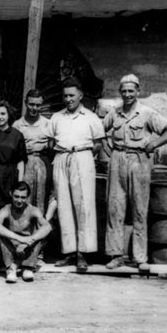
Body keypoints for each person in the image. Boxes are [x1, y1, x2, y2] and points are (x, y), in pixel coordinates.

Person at [103, 74, 167, 271]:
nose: (127, 94)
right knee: (115, 208)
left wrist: (153, 144)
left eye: (131, 91)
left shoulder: (146, 113)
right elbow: (99, 131)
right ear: (120, 92)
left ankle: (139, 257)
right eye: (124, 91)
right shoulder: (115, 112)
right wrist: (108, 150)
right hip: (117, 159)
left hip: (139, 161)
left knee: (139, 209)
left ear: (138, 92)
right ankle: (115, 255)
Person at [44, 78, 105, 271]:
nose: (68, 99)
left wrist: (83, 156)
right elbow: (50, 143)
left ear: (80, 95)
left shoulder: (90, 117)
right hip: (61, 157)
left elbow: (98, 144)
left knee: (84, 204)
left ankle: (83, 253)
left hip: (83, 157)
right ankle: (69, 252)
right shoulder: (56, 117)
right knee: (63, 205)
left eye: (72, 95)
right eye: (65, 96)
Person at [0, 181, 52, 283]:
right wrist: (20, 239)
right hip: (11, 246)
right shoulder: (6, 209)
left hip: (28, 247)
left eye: (23, 197)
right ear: (11, 194)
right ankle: (11, 268)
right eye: (16, 196)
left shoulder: (33, 210)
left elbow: (48, 227)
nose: (19, 200)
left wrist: (27, 242)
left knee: (42, 234)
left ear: (27, 197)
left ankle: (27, 267)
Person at [12, 89, 51, 215]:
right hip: (25, 163)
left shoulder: (48, 124)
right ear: (25, 103)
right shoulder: (17, 125)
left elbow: (53, 146)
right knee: (24, 195)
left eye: (38, 105)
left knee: (41, 196)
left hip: (42, 162)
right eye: (31, 104)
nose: (34, 108)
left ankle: (40, 228)